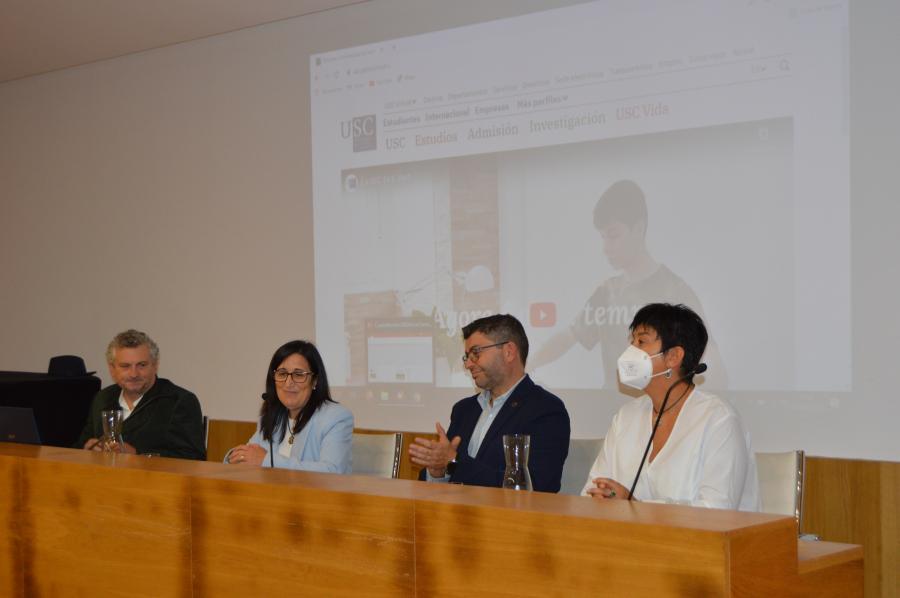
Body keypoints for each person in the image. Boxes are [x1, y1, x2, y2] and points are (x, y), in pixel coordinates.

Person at [531, 179, 726, 388]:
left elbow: (710, 359)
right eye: (603, 238)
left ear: (639, 228)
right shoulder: (606, 293)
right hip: (613, 413)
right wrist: (526, 365)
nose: (606, 248)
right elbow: (568, 337)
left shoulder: (675, 290)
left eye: (614, 236)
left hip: (660, 413)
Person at [581, 303, 759, 510]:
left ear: (673, 356)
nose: (630, 351)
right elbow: (592, 490)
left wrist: (637, 508)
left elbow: (718, 509)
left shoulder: (719, 419)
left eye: (641, 342)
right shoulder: (626, 416)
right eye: (632, 342)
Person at [409, 314, 570, 492]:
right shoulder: (464, 410)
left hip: (509, 518)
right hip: (455, 515)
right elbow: (440, 478)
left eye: (476, 353)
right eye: (466, 357)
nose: (468, 364)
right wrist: (438, 472)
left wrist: (454, 462)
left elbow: (536, 486)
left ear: (509, 351)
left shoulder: (546, 410)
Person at [225, 340, 353, 473]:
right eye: (282, 374)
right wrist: (236, 458)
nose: (288, 383)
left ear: (315, 381)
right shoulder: (271, 416)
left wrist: (266, 460)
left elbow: (332, 471)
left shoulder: (335, 417)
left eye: (298, 375)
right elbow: (249, 455)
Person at [76, 329, 205, 459]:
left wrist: (137, 454)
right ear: (112, 369)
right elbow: (80, 446)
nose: (134, 374)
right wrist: (88, 449)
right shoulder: (102, 398)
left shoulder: (178, 402)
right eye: (125, 366)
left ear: (155, 365)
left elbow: (193, 459)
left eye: (141, 365)